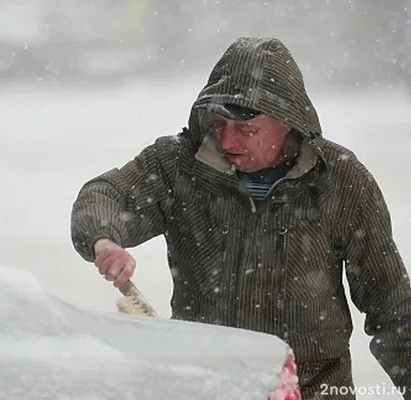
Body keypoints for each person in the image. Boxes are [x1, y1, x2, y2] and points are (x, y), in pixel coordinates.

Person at [69, 36, 411, 399]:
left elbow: (392, 306)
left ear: (288, 123)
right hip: (205, 388)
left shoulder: (339, 179)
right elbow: (105, 194)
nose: (229, 140)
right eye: (220, 125)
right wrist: (103, 239)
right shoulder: (178, 167)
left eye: (247, 129)